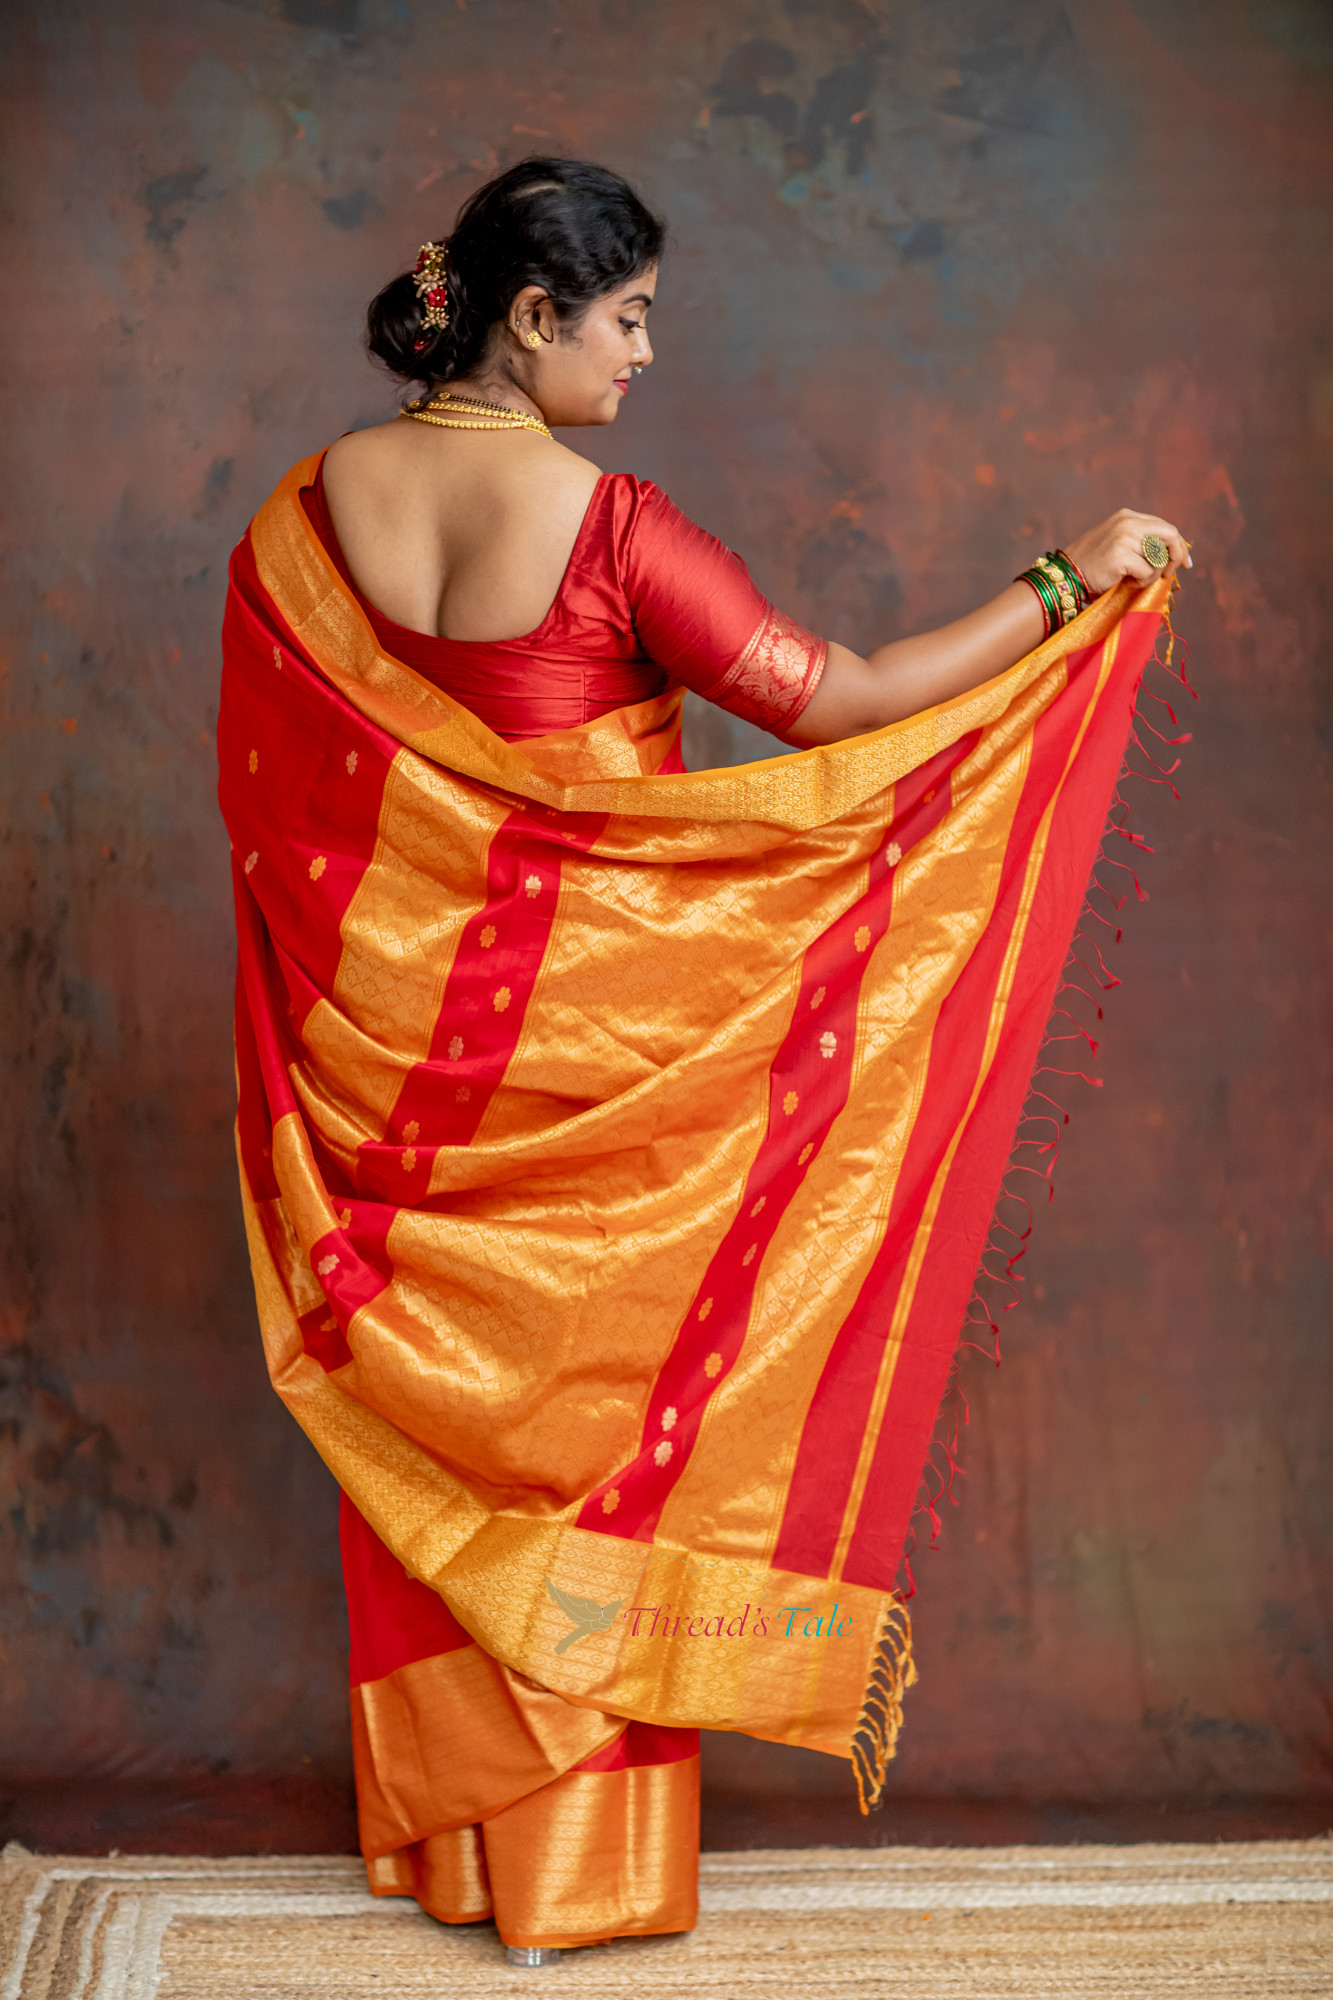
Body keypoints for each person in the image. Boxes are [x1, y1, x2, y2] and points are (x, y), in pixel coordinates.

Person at [218, 157, 1187, 1965]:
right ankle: (572, 1887)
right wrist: (1071, 577)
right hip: (602, 1079)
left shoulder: (299, 523)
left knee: (447, 1439)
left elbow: (288, 839)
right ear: (533, 316)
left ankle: (462, 1870)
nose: (647, 352)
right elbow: (838, 703)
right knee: (596, 1441)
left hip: (394, 1106)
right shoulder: (604, 528)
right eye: (631, 316)